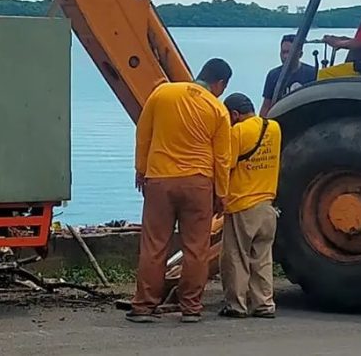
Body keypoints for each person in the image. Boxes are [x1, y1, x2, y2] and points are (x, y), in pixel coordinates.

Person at [128, 58, 233, 324]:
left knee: (154, 245)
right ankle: (190, 308)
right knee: (196, 248)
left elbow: (144, 134)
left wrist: (141, 169)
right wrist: (222, 192)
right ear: (219, 83)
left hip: (160, 180)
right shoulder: (217, 109)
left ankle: (144, 306)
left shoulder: (162, 93)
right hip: (198, 183)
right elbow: (222, 158)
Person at [219, 93, 280, 320]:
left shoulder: (237, 132)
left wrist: (219, 197)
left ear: (235, 114)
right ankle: (264, 304)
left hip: (242, 203)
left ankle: (237, 305)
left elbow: (227, 166)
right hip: (268, 205)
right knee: (263, 257)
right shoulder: (274, 128)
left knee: (236, 256)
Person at [259, 34, 317, 117]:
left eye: (289, 53)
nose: (285, 56)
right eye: (283, 52)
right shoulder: (273, 75)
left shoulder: (312, 73)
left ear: (300, 54)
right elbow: (266, 105)